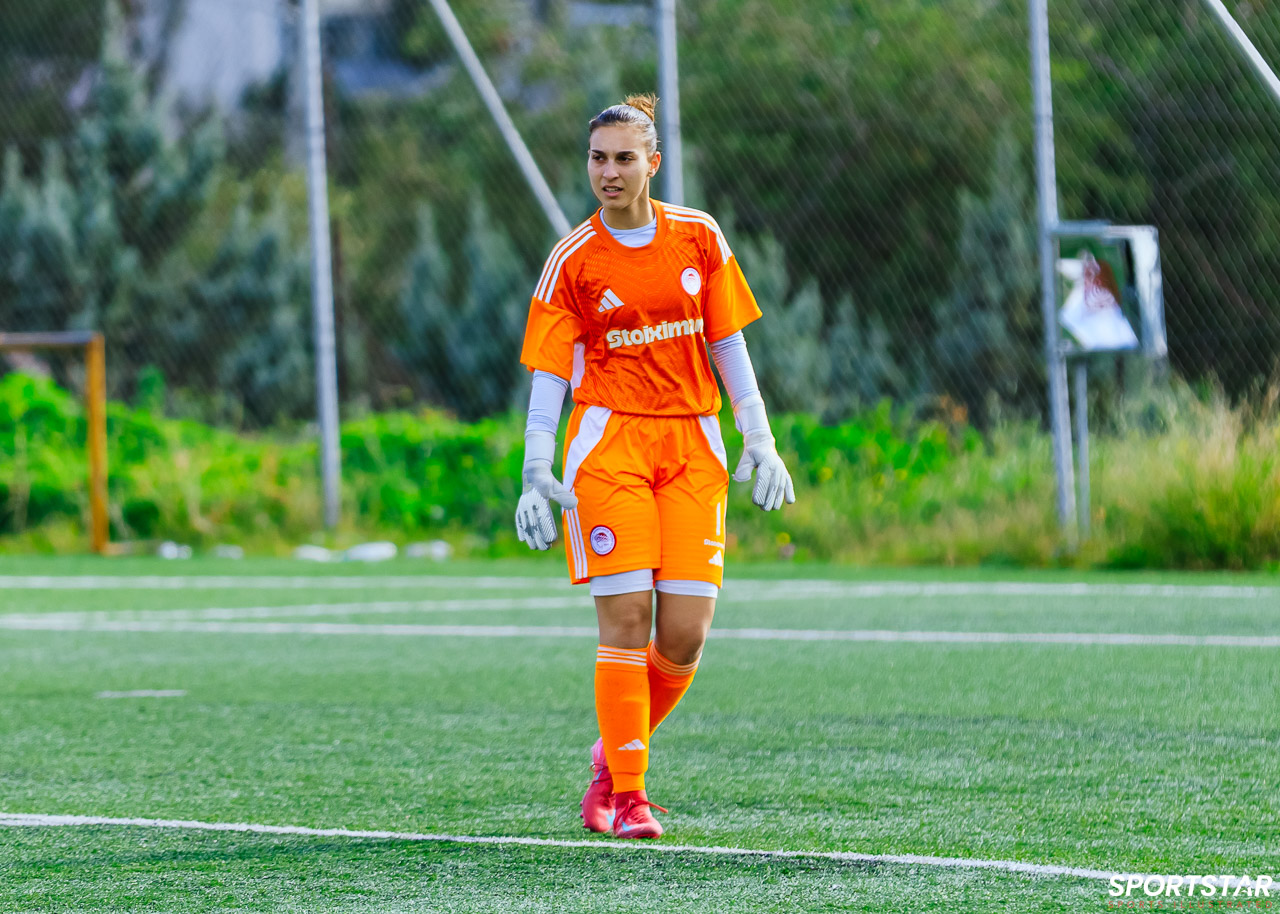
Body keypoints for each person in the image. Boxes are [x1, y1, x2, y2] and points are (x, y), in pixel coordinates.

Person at [515, 93, 794, 840]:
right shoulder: (573, 259)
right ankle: (628, 798)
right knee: (628, 619)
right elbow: (550, 370)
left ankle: (612, 755)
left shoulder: (698, 236)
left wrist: (759, 437)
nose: (608, 172)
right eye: (597, 158)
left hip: (693, 445)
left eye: (623, 158)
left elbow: (727, 341)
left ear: (653, 164)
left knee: (685, 635)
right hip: (609, 446)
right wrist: (536, 465)